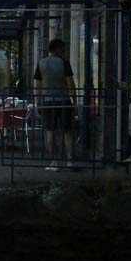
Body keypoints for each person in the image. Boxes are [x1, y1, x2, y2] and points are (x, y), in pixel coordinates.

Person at [34, 39, 77, 171]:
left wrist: (37, 102)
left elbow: (37, 86)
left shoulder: (41, 63)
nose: (64, 51)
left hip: (48, 101)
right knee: (68, 131)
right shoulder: (64, 62)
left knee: (50, 131)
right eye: (63, 49)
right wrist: (74, 100)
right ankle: (70, 160)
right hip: (63, 100)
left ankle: (54, 162)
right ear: (58, 49)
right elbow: (70, 83)